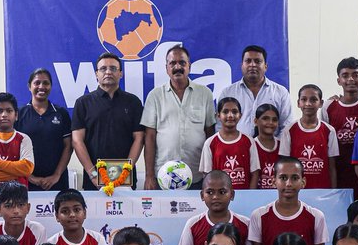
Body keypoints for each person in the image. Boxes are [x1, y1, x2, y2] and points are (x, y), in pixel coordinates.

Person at [141, 45, 216, 189]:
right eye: (172, 63)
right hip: (164, 176)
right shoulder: (155, 96)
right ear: (166, 68)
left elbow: (210, 134)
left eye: (182, 62)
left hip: (197, 174)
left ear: (189, 66)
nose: (177, 67)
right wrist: (149, 176)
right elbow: (149, 137)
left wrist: (209, 172)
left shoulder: (204, 93)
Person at [71, 53, 145, 190]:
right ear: (96, 74)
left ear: (121, 73)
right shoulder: (83, 103)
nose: (108, 72)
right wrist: (93, 174)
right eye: (103, 68)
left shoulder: (133, 102)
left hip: (126, 178)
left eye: (113, 68)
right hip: (93, 180)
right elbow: (77, 141)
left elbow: (139, 138)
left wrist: (126, 171)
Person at [249, 157, 327, 245]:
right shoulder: (258, 216)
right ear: (274, 181)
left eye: (295, 178)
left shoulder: (316, 216)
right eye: (283, 178)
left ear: (303, 182)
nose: (289, 183)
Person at [176, 171, 251, 245]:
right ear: (202, 195)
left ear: (232, 194)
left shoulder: (245, 224)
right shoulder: (192, 225)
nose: (215, 197)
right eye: (210, 192)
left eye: (222, 192)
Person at [322, 57, 358, 197]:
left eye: (355, 75)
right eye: (345, 75)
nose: (351, 79)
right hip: (341, 172)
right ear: (339, 80)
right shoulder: (329, 106)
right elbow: (325, 141)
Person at [217, 45, 294, 136]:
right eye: (248, 61)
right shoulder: (228, 93)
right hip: (236, 145)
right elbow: (219, 127)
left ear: (265, 66)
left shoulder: (280, 92)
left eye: (257, 61)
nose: (252, 65)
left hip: (271, 145)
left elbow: (286, 126)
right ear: (242, 65)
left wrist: (278, 145)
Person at [16, 68, 73, 191]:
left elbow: (68, 146)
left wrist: (56, 175)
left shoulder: (61, 113)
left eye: (46, 83)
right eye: (37, 83)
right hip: (26, 181)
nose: (41, 87)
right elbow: (13, 147)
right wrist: (29, 176)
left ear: (51, 86)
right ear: (29, 86)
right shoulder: (19, 114)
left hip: (57, 181)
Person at [286, 84, 340, 189]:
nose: (308, 103)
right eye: (304, 99)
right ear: (298, 103)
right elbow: (285, 166)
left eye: (313, 99)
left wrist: (333, 192)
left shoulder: (329, 130)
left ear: (321, 103)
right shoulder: (289, 130)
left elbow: (332, 167)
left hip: (323, 191)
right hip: (296, 192)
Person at [199, 97, 257, 190]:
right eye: (225, 112)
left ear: (240, 115)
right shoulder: (210, 143)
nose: (230, 115)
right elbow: (207, 175)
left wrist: (250, 194)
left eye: (234, 112)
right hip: (220, 196)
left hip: (245, 195)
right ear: (218, 116)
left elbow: (255, 173)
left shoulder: (249, 141)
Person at [251, 104, 285, 190]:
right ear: (255, 121)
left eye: (274, 120)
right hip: (257, 195)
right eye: (265, 119)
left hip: (279, 195)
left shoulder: (282, 145)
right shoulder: (250, 145)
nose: (270, 122)